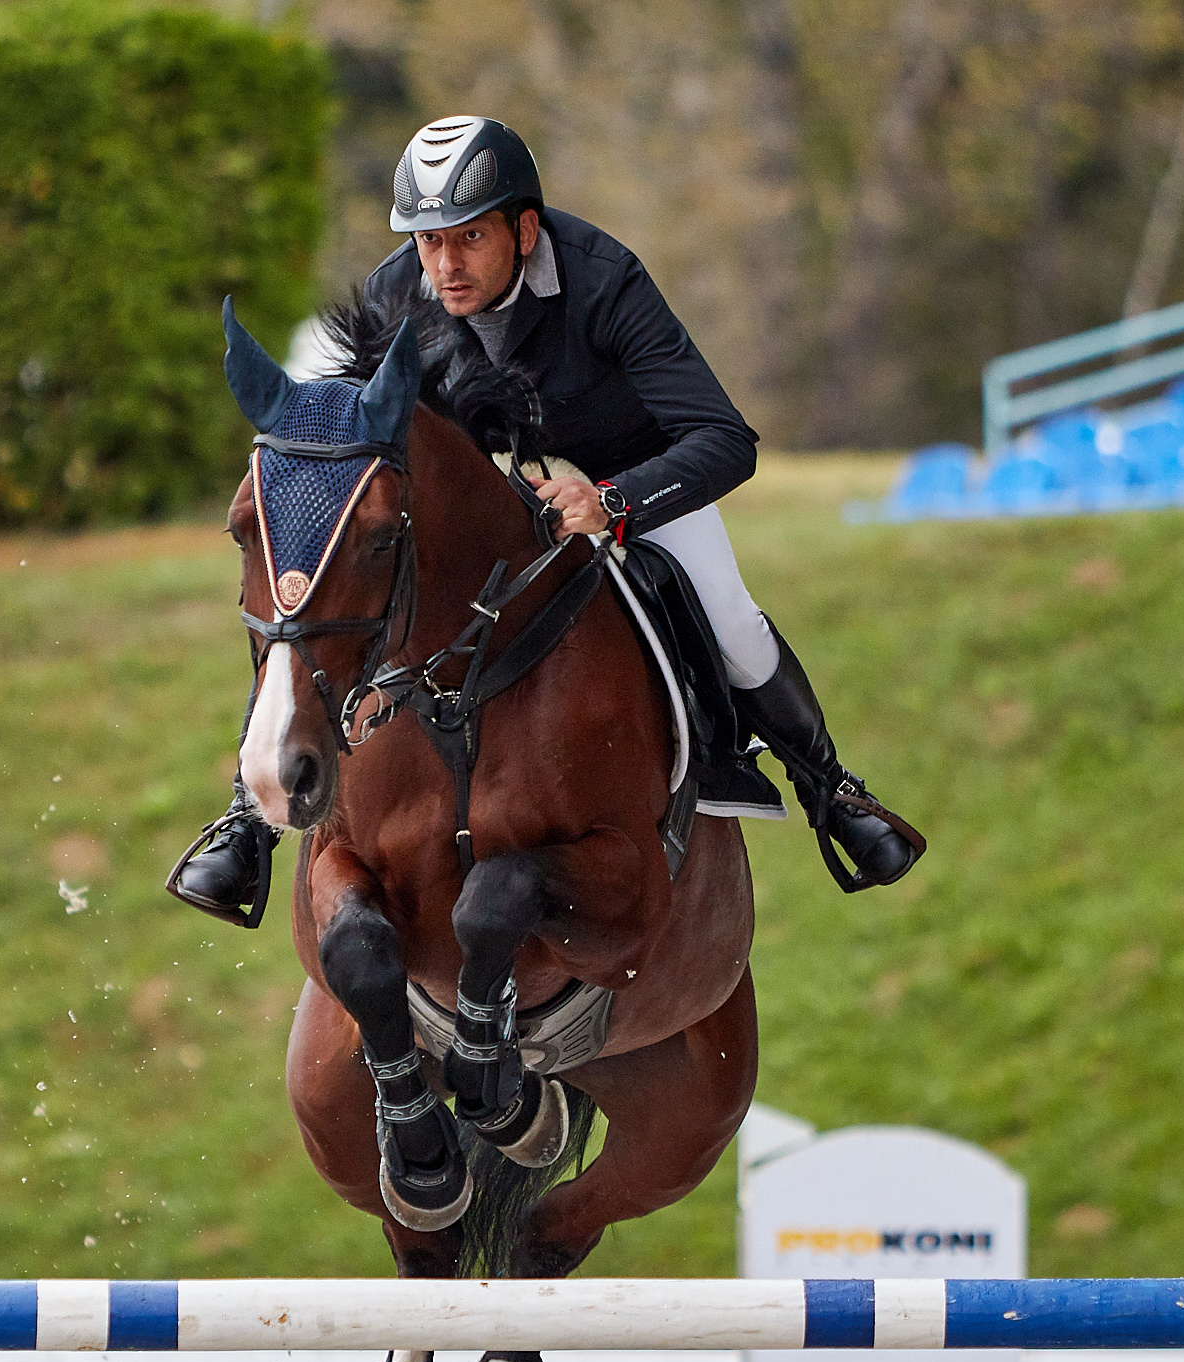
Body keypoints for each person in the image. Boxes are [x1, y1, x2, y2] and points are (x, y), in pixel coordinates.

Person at [170, 116, 921, 922]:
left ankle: (831, 792)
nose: (445, 267)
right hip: (485, 499)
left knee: (731, 620)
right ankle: (252, 819)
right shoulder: (401, 291)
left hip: (627, 477)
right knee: (318, 600)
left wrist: (615, 501)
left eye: (468, 238)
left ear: (525, 228)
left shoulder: (606, 282)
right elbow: (347, 439)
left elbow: (725, 440)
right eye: (428, 243)